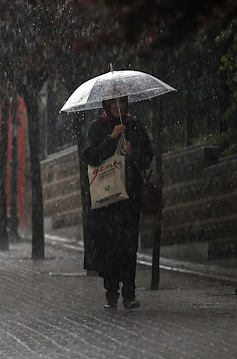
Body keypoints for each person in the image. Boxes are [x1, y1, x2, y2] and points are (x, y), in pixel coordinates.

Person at [83, 90, 153, 310]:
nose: (118, 106)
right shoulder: (98, 127)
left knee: (129, 245)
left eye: (122, 101)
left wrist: (132, 152)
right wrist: (111, 139)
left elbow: (147, 158)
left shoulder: (135, 125)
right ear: (106, 104)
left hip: (128, 198)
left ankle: (129, 293)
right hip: (105, 199)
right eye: (113, 102)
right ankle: (111, 292)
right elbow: (91, 157)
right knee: (109, 246)